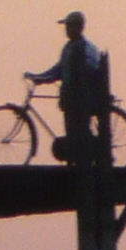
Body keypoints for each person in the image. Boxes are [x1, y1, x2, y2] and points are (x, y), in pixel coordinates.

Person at [48, 10, 112, 161]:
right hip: (70, 96)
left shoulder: (86, 48)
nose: (66, 30)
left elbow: (90, 71)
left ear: (78, 27)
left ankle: (90, 155)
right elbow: (59, 69)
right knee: (72, 129)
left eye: (69, 26)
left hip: (82, 97)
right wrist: (40, 77)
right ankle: (76, 157)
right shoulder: (68, 47)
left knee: (80, 130)